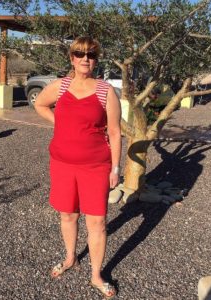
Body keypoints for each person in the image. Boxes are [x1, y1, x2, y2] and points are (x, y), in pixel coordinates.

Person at [34, 36, 121, 299]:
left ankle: (96, 275)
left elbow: (115, 133)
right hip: (62, 164)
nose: (86, 59)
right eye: (80, 54)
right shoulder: (60, 87)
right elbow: (39, 104)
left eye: (91, 55)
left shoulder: (106, 91)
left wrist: (115, 169)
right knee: (68, 215)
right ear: (72, 57)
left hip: (95, 166)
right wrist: (59, 123)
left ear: (96, 60)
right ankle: (71, 258)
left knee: (97, 222)